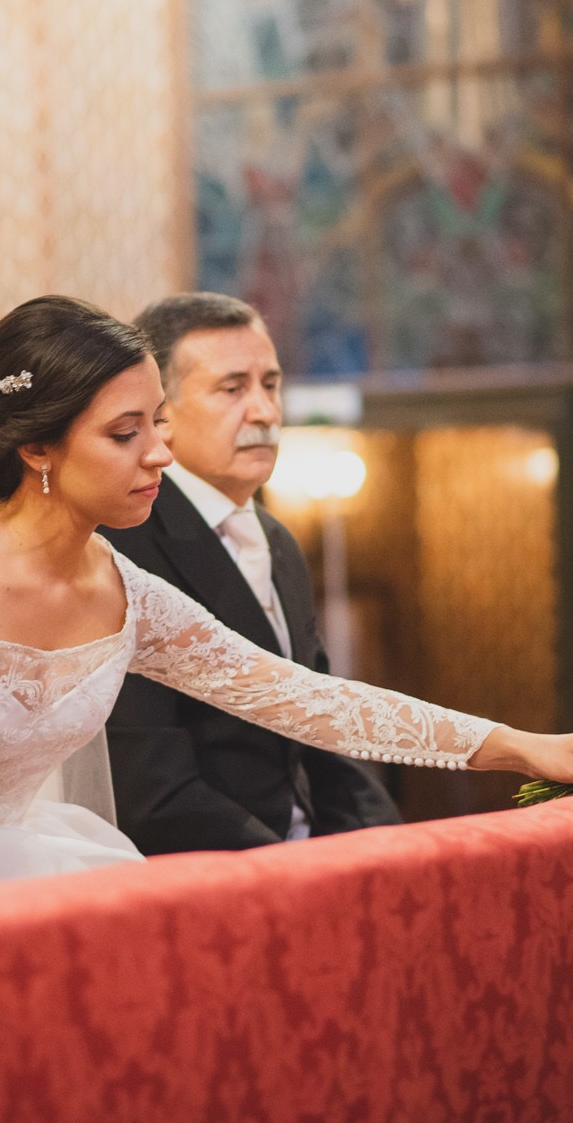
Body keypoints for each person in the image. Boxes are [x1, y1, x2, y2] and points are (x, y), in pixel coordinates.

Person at [0, 296, 573, 896]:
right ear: (38, 448)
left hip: (42, 877)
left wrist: (525, 748)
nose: (160, 456)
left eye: (159, 424)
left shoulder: (122, 590)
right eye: (126, 434)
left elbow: (308, 701)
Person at [102, 292, 400, 853]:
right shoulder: (124, 545)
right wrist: (289, 874)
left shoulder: (279, 540)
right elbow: (149, 787)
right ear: (159, 411)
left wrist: (381, 846)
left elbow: (318, 730)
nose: (264, 411)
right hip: (209, 870)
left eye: (271, 384)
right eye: (233, 388)